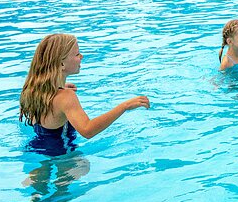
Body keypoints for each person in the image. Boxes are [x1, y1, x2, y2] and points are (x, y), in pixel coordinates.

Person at [18, 33, 150, 154]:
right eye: (77, 54)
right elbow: (87, 130)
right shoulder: (66, 97)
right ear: (62, 64)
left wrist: (60, 87)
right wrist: (124, 106)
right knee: (83, 167)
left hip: (36, 145)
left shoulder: (32, 89)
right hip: (63, 151)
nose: (81, 57)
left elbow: (50, 107)